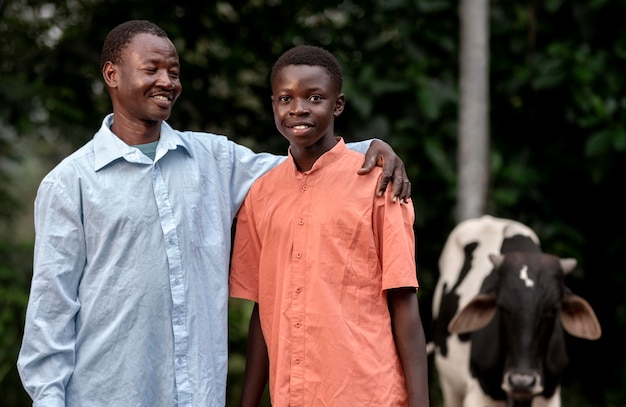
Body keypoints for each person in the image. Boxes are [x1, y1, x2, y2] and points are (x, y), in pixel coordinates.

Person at [16, 21, 412, 407]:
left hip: (197, 393)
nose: (167, 81)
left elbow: (304, 163)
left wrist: (372, 146)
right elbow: (51, 310)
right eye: (151, 69)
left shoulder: (213, 159)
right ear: (112, 74)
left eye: (174, 72)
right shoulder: (70, 183)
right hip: (107, 391)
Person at [229, 45, 429, 406]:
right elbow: (264, 308)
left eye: (315, 97)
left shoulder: (378, 184)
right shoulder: (260, 194)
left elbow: (404, 299)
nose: (299, 109)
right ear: (273, 105)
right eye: (285, 98)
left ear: (337, 105)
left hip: (367, 393)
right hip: (291, 396)